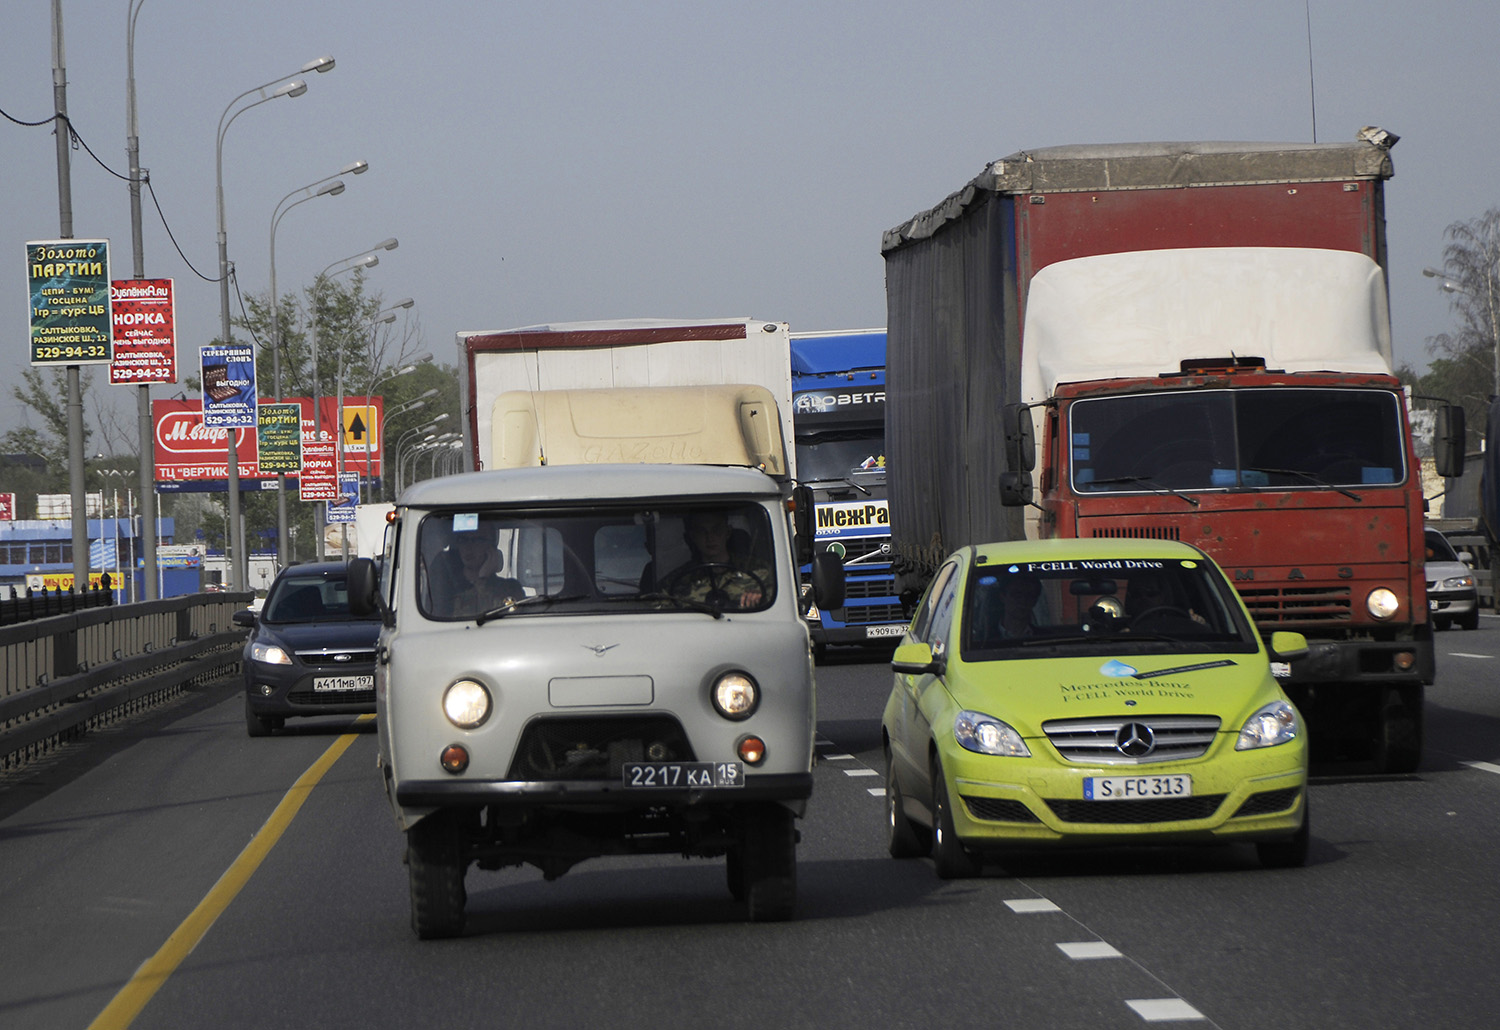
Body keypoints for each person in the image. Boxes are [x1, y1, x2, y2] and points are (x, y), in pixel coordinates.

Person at [664, 511, 772, 609]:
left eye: (717, 530)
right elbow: (656, 608)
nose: (710, 538)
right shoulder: (677, 582)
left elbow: (780, 604)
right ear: (692, 537)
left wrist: (761, 599)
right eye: (702, 531)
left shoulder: (759, 571)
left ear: (728, 532)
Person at [433, 526, 524, 617]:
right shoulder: (447, 586)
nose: (468, 547)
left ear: (490, 547)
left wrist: (484, 580)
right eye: (463, 540)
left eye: (477, 540)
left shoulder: (509, 588)